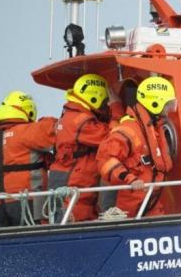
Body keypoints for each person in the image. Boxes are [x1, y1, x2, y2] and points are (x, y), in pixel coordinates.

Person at [96, 76, 176, 217]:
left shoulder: (154, 129)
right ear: (155, 103)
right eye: (168, 104)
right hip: (127, 208)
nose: (170, 109)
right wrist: (129, 179)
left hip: (149, 202)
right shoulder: (129, 130)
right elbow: (106, 160)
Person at [48, 73, 124, 222]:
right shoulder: (81, 121)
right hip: (75, 188)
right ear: (94, 97)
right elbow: (112, 137)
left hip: (70, 182)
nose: (105, 105)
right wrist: (116, 109)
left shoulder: (71, 115)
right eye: (104, 100)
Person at [0, 91, 57, 227]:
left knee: (9, 244)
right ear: (29, 111)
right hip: (29, 205)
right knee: (35, 243)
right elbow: (57, 130)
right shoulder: (26, 132)